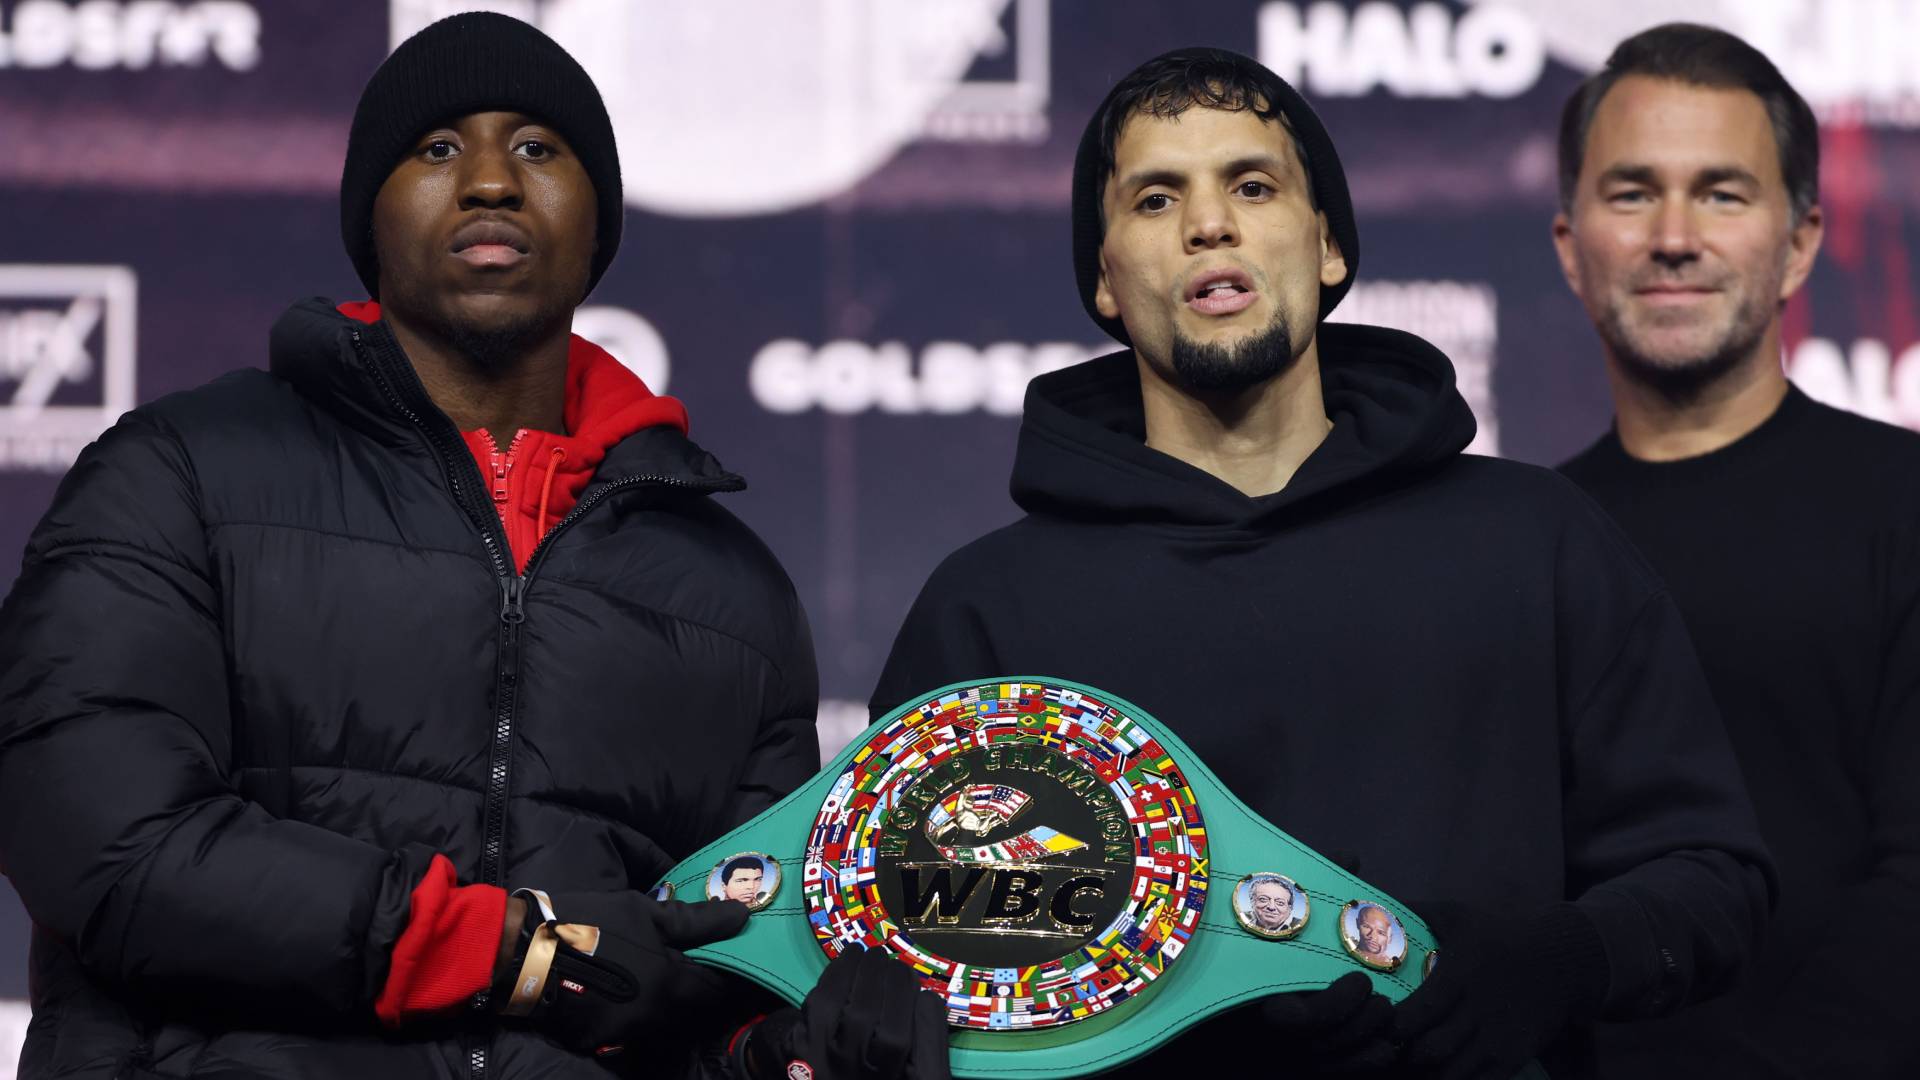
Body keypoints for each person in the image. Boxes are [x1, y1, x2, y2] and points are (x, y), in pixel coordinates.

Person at [0, 13, 944, 1080]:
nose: (492, 180)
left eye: (539, 149)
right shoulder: (178, 471)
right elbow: (104, 840)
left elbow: (714, 981)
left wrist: (786, 1055)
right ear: (372, 217)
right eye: (438, 148)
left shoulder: (730, 590)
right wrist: (513, 950)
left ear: (600, 225)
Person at [872, 46, 1775, 1079]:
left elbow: (1712, 878)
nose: (1210, 224)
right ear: (1105, 281)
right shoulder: (989, 610)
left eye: (1252, 185)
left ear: (1329, 245)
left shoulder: (1535, 540)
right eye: (1157, 199)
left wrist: (1551, 963)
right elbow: (901, 957)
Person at [1554, 23, 1920, 1078]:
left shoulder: (1905, 512)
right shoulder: (1520, 543)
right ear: (1571, 246)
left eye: (1721, 192)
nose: (1675, 235)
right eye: (1631, 194)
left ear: (1801, 241)